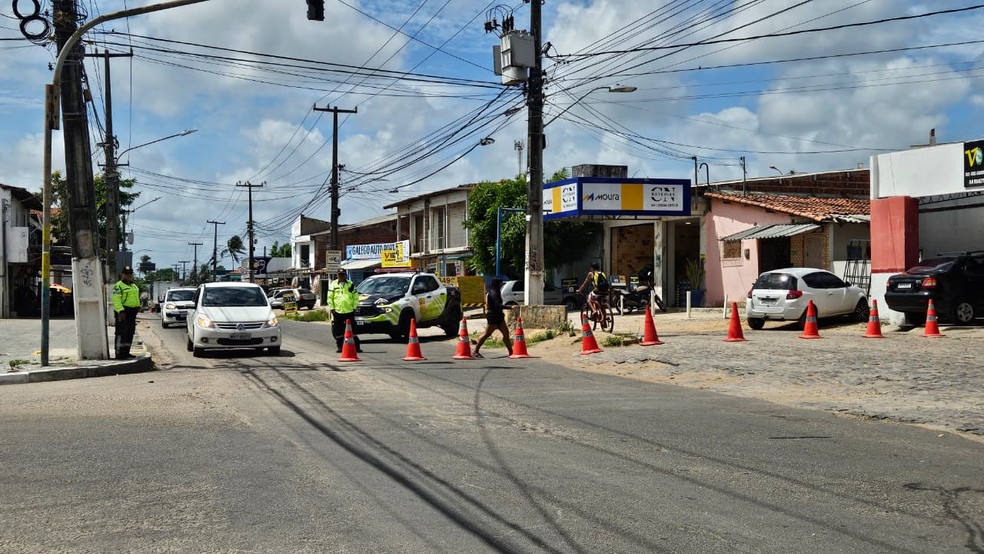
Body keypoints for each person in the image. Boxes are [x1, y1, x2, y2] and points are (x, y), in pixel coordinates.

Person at [473, 278, 513, 358]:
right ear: (497, 284)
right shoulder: (493, 293)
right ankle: (475, 351)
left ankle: (511, 352)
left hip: (499, 316)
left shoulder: (497, 292)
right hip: (493, 316)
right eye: (500, 284)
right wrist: (509, 307)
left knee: (506, 334)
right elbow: (497, 304)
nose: (501, 285)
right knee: (487, 334)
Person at [327, 268, 361, 353]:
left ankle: (357, 347)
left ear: (345, 275)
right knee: (338, 330)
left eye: (342, 274)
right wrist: (332, 308)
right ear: (337, 275)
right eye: (339, 274)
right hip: (338, 311)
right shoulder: (333, 284)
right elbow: (330, 297)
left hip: (349, 310)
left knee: (353, 330)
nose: (341, 276)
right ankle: (340, 347)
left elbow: (355, 297)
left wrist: (354, 307)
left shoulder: (351, 284)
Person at [112, 266, 141, 359]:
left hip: (132, 311)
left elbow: (135, 297)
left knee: (130, 332)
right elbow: (116, 299)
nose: (128, 276)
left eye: (130, 274)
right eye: (126, 274)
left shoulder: (133, 285)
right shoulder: (118, 286)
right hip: (123, 311)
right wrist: (121, 311)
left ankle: (126, 352)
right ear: (122, 275)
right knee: (121, 332)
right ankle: (119, 353)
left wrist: (138, 306)